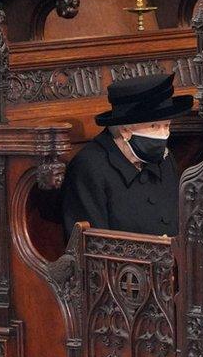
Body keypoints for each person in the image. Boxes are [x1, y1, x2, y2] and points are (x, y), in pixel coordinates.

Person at [61, 74, 193, 239]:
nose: (163, 135)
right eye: (154, 126)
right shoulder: (89, 168)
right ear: (125, 130)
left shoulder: (166, 159)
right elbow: (90, 248)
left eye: (166, 125)